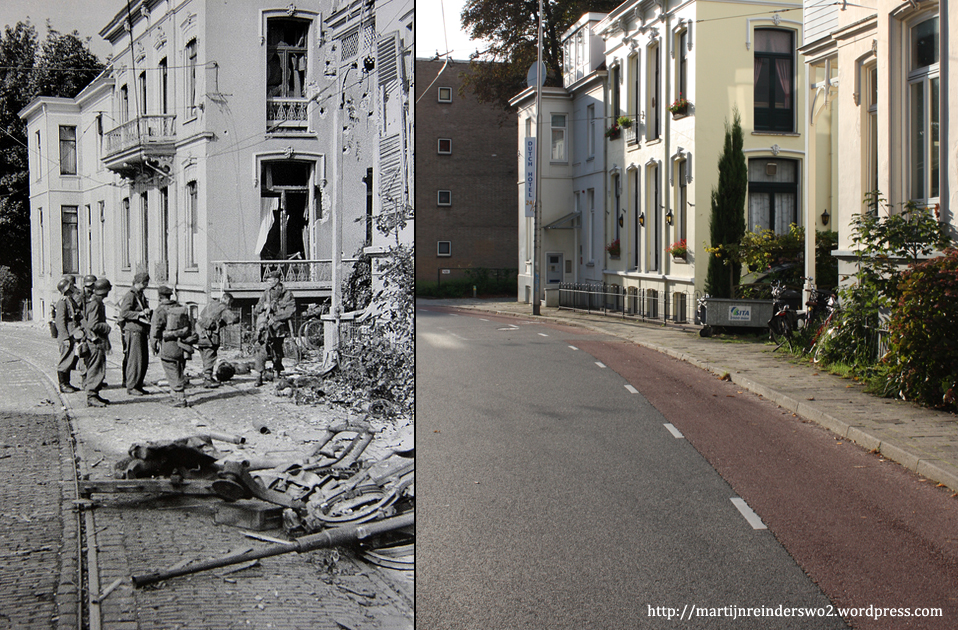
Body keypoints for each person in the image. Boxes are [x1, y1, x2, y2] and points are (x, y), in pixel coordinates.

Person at [151, 286, 197, 408]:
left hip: (168, 345)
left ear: (159, 297)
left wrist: (153, 345)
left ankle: (180, 398)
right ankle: (174, 396)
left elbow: (155, 331)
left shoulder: (160, 310)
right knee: (179, 369)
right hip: (182, 345)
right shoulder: (180, 308)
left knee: (171, 370)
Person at [253, 270, 296, 387]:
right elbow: (256, 309)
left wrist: (276, 318)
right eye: (267, 281)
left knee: (277, 351)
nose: (268, 283)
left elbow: (290, 311)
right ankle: (259, 376)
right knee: (261, 350)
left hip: (278, 328)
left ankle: (277, 373)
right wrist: (263, 306)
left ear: (277, 281)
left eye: (270, 281)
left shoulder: (287, 294)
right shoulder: (266, 293)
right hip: (265, 327)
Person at [118, 272, 152, 396]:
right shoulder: (130, 295)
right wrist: (139, 314)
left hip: (141, 331)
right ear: (140, 282)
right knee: (135, 360)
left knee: (143, 360)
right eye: (146, 283)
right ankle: (131, 386)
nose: (147, 286)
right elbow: (124, 313)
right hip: (133, 331)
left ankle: (138, 384)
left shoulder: (140, 294)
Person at [196, 292, 239, 388]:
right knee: (210, 357)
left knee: (204, 357)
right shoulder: (223, 307)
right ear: (227, 300)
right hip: (210, 337)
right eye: (230, 302)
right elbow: (233, 318)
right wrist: (235, 319)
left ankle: (207, 376)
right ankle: (207, 379)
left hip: (199, 335)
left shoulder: (210, 304)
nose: (230, 305)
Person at [83, 277, 113, 407]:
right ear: (105, 291)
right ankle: (91, 395)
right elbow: (93, 325)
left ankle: (95, 394)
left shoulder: (95, 301)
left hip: (97, 340)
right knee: (95, 368)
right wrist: (106, 327)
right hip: (95, 341)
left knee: (98, 367)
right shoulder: (96, 303)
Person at [53, 276, 82, 393]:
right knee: (65, 359)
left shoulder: (70, 300)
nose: (73, 288)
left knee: (69, 359)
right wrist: (65, 337)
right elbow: (60, 321)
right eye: (70, 287)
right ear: (67, 289)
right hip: (66, 336)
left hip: (71, 334)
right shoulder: (62, 302)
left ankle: (68, 383)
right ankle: (63, 385)